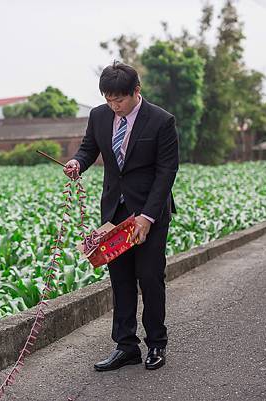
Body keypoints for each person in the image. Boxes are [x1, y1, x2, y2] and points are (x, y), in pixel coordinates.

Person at [63, 61, 179, 372]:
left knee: (150, 277)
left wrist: (146, 217)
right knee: (121, 279)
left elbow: (167, 172)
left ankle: (156, 343)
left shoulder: (161, 121)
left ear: (136, 92)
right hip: (115, 211)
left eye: (120, 100)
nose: (114, 106)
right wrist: (77, 162)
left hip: (149, 212)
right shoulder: (99, 116)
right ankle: (126, 345)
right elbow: (90, 148)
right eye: (108, 99)